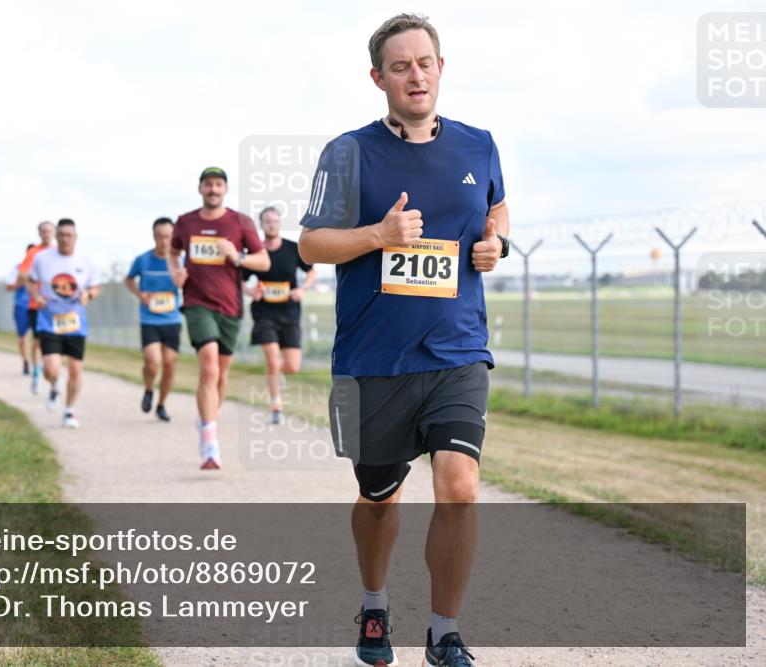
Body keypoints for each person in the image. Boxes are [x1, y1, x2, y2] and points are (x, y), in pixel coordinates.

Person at [298, 14, 511, 667]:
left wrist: (496, 240)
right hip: (375, 359)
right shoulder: (349, 152)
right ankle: (374, 601)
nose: (415, 75)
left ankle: (444, 631)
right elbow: (310, 243)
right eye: (400, 66)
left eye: (425, 62)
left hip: (456, 349)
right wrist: (377, 236)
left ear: (440, 68)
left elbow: (497, 206)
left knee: (459, 484)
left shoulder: (479, 145)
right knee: (378, 497)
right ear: (378, 77)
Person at [168, 167, 270, 470]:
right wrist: (176, 271)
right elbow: (173, 252)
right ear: (200, 188)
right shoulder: (185, 222)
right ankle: (211, 444)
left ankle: (207, 420)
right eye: (208, 185)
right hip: (197, 302)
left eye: (218, 185)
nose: (213, 189)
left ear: (225, 189)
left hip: (230, 306)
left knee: (221, 375)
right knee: (209, 366)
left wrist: (237, 256)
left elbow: (263, 261)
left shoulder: (240, 222)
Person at [241, 206, 316, 425]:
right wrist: (250, 291)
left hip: (289, 312)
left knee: (292, 366)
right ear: (261, 225)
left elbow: (311, 271)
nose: (271, 224)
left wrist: (302, 289)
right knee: (273, 359)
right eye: (267, 221)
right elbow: (241, 279)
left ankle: (278, 375)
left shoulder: (293, 249)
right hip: (264, 312)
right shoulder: (256, 253)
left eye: (275, 221)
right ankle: (276, 406)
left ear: (280, 223)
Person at [27, 218, 100, 429]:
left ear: (76, 237)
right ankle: (54, 385)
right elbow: (30, 282)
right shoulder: (42, 259)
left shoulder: (86, 261)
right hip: (49, 320)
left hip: (75, 322)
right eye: (61, 235)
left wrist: (89, 294)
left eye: (69, 235)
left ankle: (69, 410)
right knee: (51, 369)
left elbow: (95, 287)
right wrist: (37, 296)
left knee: (76, 369)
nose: (65, 239)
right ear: (55, 237)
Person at [126, 217, 182, 422]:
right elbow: (129, 279)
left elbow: (188, 283)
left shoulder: (179, 261)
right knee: (153, 362)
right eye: (160, 236)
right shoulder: (143, 260)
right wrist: (141, 296)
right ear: (153, 236)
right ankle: (149, 389)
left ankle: (161, 404)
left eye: (168, 237)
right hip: (149, 319)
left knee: (169, 364)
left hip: (172, 319)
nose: (164, 241)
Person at [18, 221, 57, 393]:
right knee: (39, 341)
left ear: (54, 232)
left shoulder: (59, 252)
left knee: (56, 342)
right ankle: (36, 371)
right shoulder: (34, 253)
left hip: (57, 305)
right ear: (39, 233)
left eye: (49, 231)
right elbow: (24, 275)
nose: (46, 234)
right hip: (37, 304)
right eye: (43, 231)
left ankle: (53, 372)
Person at [7, 243, 36, 375]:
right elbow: (9, 287)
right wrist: (21, 280)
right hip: (22, 306)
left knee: (39, 339)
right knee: (23, 338)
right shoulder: (18, 268)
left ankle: (37, 363)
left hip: (39, 307)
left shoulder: (44, 268)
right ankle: (25, 360)